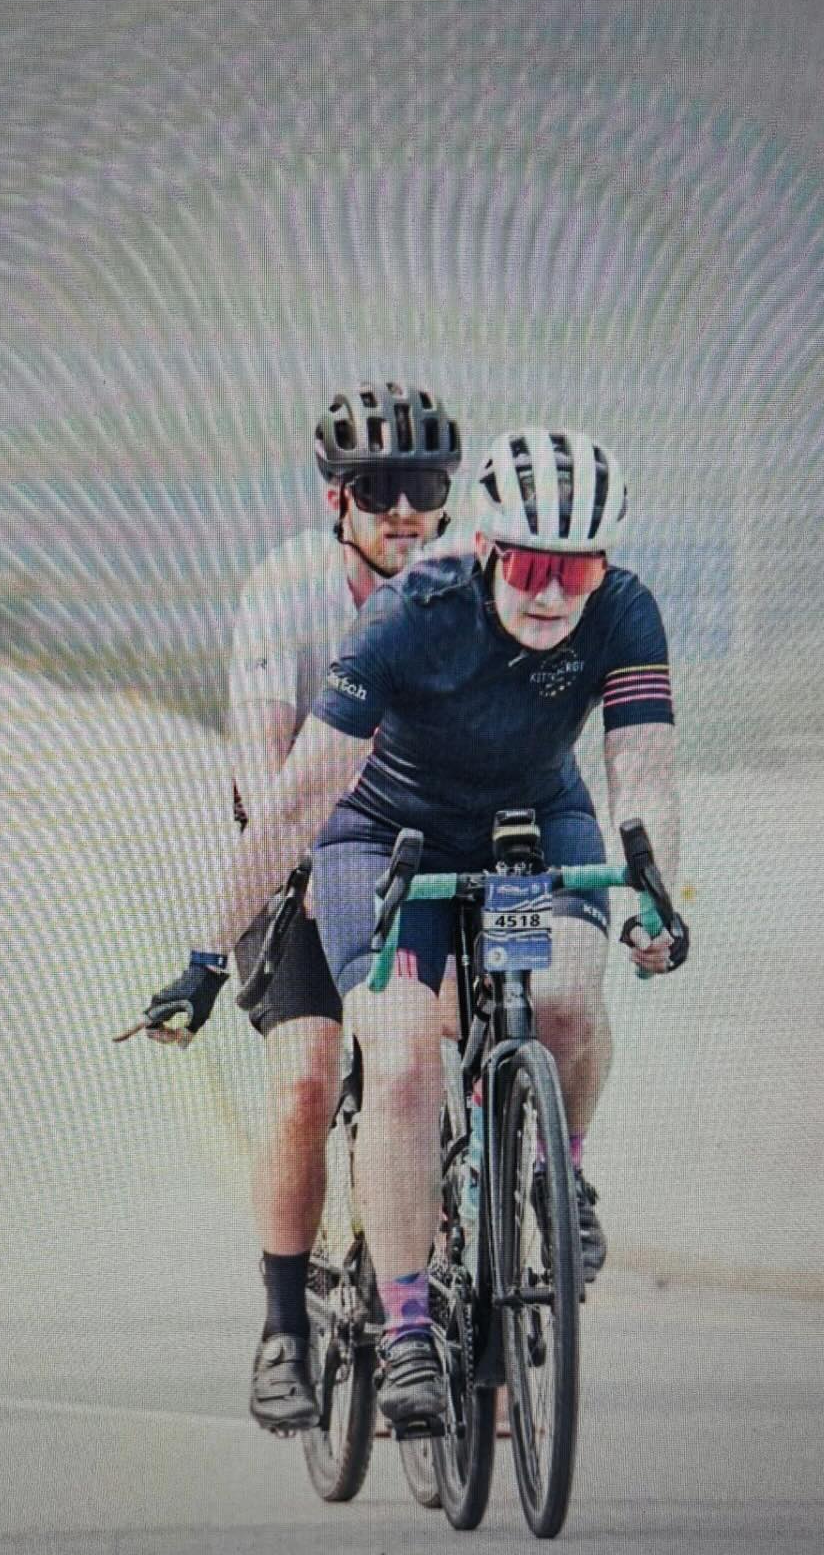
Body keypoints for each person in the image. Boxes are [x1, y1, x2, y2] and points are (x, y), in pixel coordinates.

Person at [141, 427, 688, 1432]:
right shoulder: (406, 616)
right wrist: (207, 955)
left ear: (605, 567)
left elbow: (642, 770)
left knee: (566, 1000)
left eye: (577, 572)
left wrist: (657, 892)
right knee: (397, 1063)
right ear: (485, 546)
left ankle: (557, 1181)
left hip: (528, 834)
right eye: (528, 564)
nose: (551, 595)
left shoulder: (626, 613)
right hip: (386, 844)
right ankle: (403, 1332)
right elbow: (301, 796)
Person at [228, 383, 462, 1432]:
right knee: (307, 1086)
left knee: (440, 1056)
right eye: (380, 491)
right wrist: (294, 871)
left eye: (424, 488)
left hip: (424, 850)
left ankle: (468, 1302)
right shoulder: (284, 592)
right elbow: (263, 759)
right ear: (339, 502)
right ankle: (284, 1328)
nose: (404, 512)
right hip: (301, 846)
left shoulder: (468, 584)